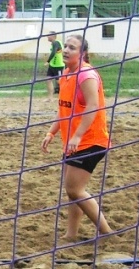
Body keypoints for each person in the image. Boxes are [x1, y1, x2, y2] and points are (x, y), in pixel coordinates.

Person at [41, 34, 114, 246]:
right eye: (66, 46)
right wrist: (51, 132)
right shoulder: (66, 74)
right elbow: (64, 108)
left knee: (74, 190)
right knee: (72, 190)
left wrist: (78, 135)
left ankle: (106, 231)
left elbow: (93, 106)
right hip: (74, 142)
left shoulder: (86, 75)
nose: (66, 50)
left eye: (72, 48)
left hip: (91, 141)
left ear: (82, 54)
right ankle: (71, 234)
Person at [44, 31, 63, 105]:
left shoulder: (56, 43)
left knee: (60, 82)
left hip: (58, 66)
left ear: (53, 36)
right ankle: (50, 98)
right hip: (52, 65)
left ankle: (66, 96)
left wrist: (47, 61)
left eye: (49, 35)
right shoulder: (53, 44)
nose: (47, 37)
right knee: (48, 80)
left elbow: (54, 52)